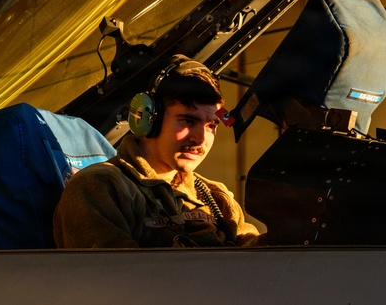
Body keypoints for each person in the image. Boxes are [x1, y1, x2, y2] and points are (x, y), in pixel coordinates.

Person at [52, 55, 262, 248]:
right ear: (147, 117)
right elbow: (114, 279)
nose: (201, 139)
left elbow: (261, 260)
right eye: (188, 121)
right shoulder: (98, 188)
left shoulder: (217, 196)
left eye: (211, 126)